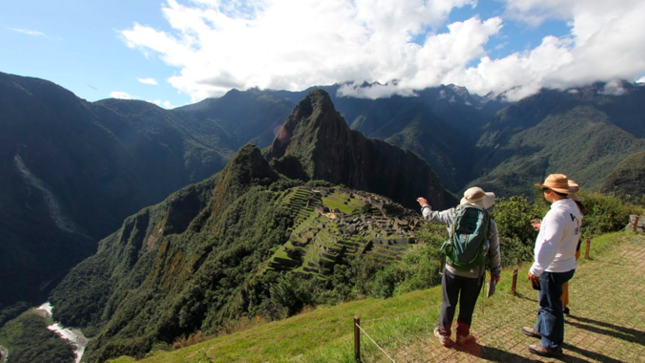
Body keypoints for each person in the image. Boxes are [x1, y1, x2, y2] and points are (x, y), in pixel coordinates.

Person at [417, 187, 501, 346]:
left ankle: (443, 334)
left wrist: (425, 205)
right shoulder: (489, 223)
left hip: (452, 269)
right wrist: (495, 272)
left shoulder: (452, 213)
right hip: (475, 273)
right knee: (467, 304)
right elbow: (494, 251)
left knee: (448, 302)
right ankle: (462, 335)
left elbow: (429, 216)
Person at [522, 174, 582, 358]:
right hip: (567, 263)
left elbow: (549, 245)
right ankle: (540, 329)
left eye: (545, 190)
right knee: (545, 301)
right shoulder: (573, 208)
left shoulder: (556, 214)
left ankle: (551, 344)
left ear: (550, 192)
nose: (544, 193)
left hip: (553, 267)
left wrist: (536, 269)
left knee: (551, 306)